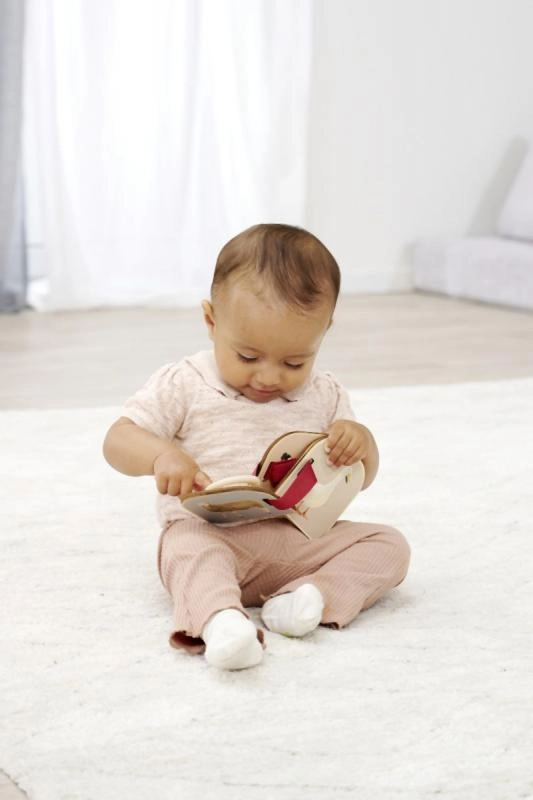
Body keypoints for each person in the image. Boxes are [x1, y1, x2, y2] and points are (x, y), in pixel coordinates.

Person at [103, 224, 410, 670]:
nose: (268, 377)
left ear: (324, 332)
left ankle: (306, 597)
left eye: (294, 362)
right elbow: (118, 439)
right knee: (186, 551)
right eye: (247, 357)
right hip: (210, 535)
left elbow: (361, 479)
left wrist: (362, 445)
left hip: (297, 540)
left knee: (389, 544)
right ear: (212, 321)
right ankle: (222, 622)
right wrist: (160, 455)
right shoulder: (185, 383)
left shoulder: (325, 394)